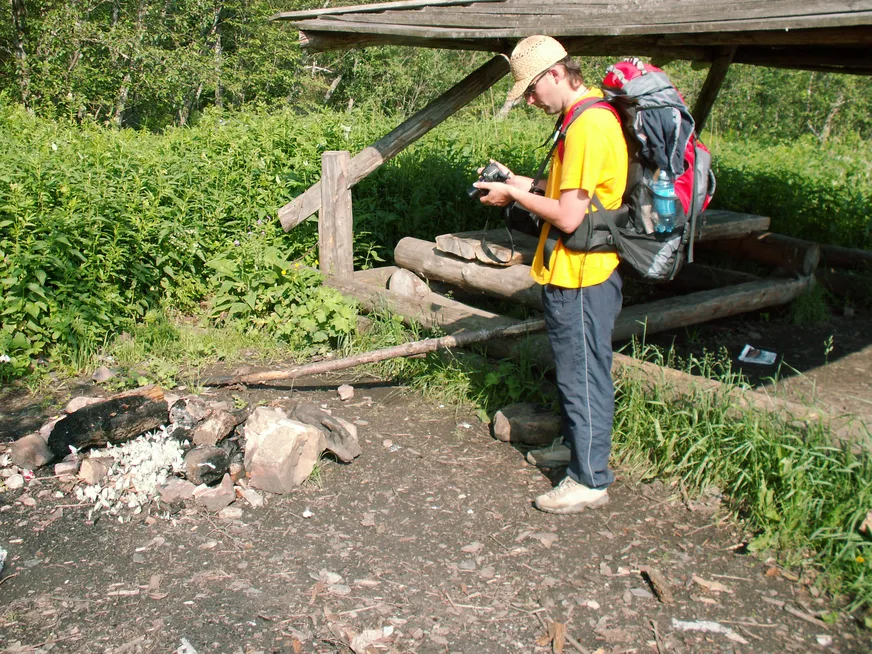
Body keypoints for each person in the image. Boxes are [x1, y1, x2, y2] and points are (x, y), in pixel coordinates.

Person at [474, 35, 628, 514]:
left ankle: (588, 479)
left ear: (556, 74)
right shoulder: (584, 118)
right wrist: (520, 182)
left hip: (583, 274)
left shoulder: (587, 127)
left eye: (532, 90)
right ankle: (578, 452)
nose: (532, 101)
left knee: (583, 375)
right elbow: (569, 193)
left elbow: (567, 217)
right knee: (575, 372)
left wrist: (513, 198)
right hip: (574, 270)